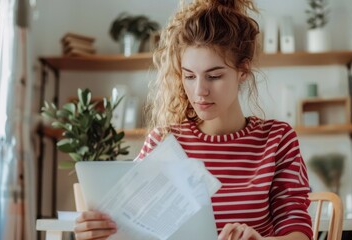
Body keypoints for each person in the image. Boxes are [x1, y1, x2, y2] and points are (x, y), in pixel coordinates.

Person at [74, 0, 313, 239]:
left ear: (243, 71)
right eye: (189, 76)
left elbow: (299, 232)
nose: (199, 91)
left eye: (214, 76)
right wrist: (97, 233)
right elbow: (133, 231)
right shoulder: (165, 141)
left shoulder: (277, 139)